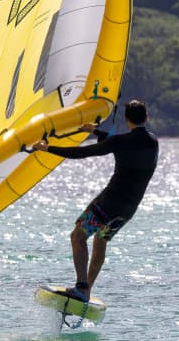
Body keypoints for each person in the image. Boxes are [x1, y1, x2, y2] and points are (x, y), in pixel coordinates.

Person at [30, 99, 159, 302]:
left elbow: (81, 153)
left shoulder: (119, 142)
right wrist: (97, 132)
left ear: (126, 120)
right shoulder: (153, 142)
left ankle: (81, 287)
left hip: (107, 204)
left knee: (78, 236)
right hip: (127, 210)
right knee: (101, 239)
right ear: (146, 117)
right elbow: (121, 141)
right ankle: (86, 290)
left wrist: (48, 148)